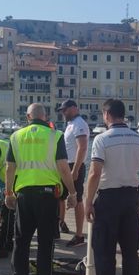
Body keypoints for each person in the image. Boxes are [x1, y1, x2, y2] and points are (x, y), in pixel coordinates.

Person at [83, 99, 139, 275]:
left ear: (106, 114)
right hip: (130, 199)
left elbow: (95, 173)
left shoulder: (102, 140)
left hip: (108, 200)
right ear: (123, 115)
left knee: (104, 251)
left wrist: (88, 203)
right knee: (130, 251)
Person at [4, 103, 77, 275]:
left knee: (21, 241)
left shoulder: (16, 137)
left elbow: (9, 168)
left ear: (28, 117)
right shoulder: (56, 136)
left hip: (24, 195)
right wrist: (72, 192)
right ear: (45, 117)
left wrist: (8, 193)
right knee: (46, 243)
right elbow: (63, 168)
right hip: (47, 196)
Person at [56, 99, 89, 247]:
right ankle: (61, 223)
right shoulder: (70, 124)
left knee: (77, 200)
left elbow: (82, 148)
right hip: (65, 165)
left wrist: (75, 170)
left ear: (74, 108)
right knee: (60, 196)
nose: (63, 112)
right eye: (62, 110)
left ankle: (79, 235)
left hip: (75, 165)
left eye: (66, 110)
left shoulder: (80, 124)